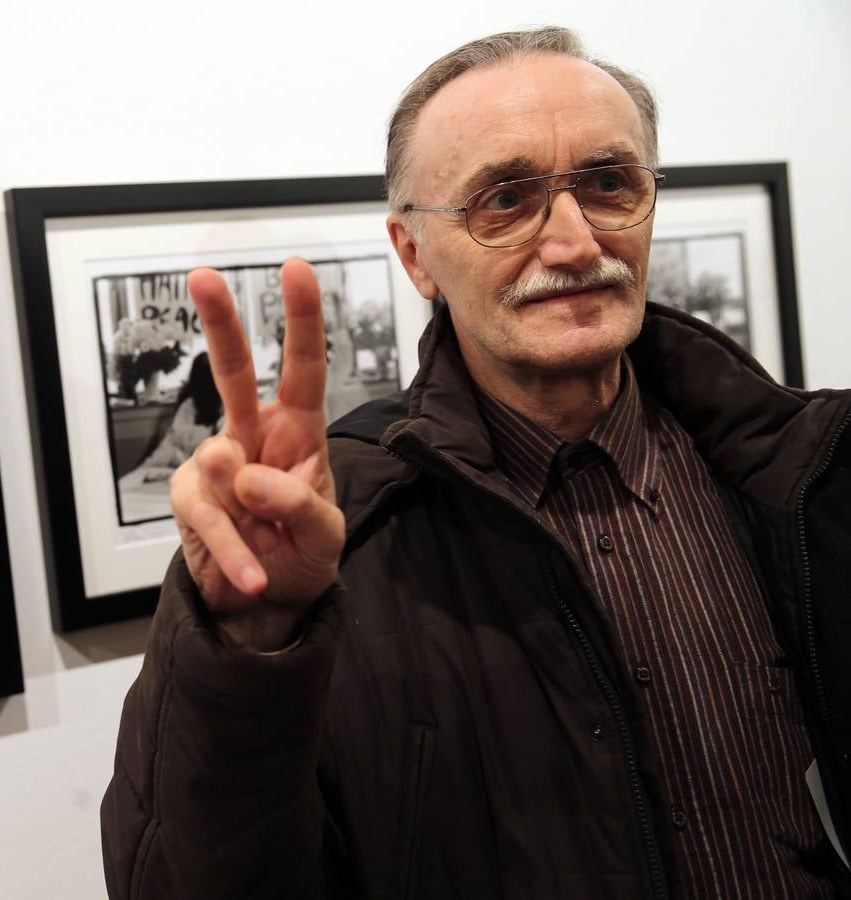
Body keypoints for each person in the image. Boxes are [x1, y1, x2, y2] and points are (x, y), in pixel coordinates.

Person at [102, 27, 851, 899]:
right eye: (504, 199)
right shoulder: (330, 538)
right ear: (414, 254)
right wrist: (247, 648)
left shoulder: (796, 472)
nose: (574, 243)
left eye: (610, 184)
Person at [118, 352, 224, 490]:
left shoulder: (225, 404)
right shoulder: (190, 405)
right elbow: (180, 435)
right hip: (174, 456)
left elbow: (226, 431)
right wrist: (211, 431)